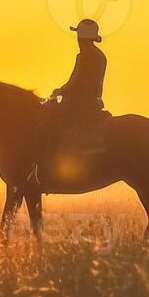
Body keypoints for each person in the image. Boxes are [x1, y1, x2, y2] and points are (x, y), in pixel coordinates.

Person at [29, 19, 108, 186]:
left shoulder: (86, 56)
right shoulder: (99, 56)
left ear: (82, 38)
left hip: (81, 103)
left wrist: (60, 91)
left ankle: (45, 167)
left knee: (46, 119)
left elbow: (77, 82)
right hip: (91, 101)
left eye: (79, 37)